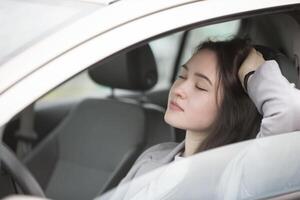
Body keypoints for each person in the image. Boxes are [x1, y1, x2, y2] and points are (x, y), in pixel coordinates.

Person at [106, 38, 300, 199]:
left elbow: (289, 110)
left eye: (200, 86)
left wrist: (254, 73)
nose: (180, 90)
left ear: (231, 109)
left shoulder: (241, 177)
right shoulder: (154, 156)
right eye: (182, 76)